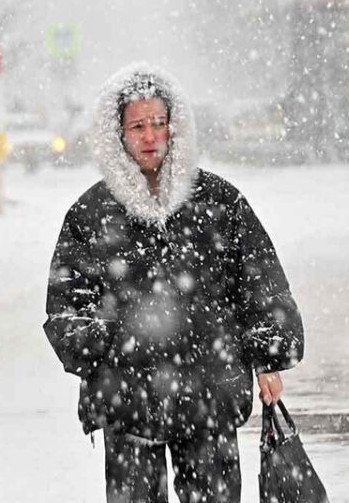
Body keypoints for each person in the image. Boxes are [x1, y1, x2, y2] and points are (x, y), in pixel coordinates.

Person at [44, 63, 304, 502]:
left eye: (159, 123)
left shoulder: (218, 202)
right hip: (128, 405)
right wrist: (105, 354)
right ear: (118, 134)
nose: (150, 136)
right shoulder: (91, 215)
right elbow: (67, 305)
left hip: (209, 394)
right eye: (138, 125)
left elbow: (258, 281)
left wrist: (268, 355)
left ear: (175, 126)